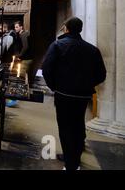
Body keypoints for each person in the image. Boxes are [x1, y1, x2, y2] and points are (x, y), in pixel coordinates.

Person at [42, 17, 106, 171]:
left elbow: (47, 69)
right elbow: (101, 75)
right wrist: (86, 85)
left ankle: (71, 164)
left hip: (63, 94)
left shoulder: (58, 45)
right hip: (82, 96)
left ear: (66, 29)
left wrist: (54, 87)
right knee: (77, 125)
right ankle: (73, 156)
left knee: (65, 128)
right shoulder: (92, 49)